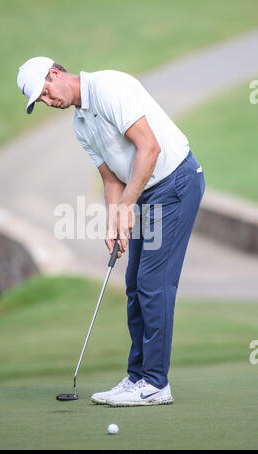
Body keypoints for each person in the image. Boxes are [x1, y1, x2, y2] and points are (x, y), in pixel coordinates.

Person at [17, 57, 205, 407]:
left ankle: (155, 383)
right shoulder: (79, 125)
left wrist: (126, 207)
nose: (47, 101)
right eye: (40, 101)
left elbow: (149, 148)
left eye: (44, 92)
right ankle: (137, 376)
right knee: (134, 284)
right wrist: (114, 220)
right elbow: (110, 178)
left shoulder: (108, 87)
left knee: (154, 283)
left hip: (175, 183)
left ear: (56, 74)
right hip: (145, 191)